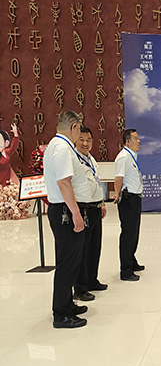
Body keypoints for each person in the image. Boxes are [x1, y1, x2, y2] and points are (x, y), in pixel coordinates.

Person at [43, 110, 88, 328]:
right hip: (65, 211)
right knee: (67, 263)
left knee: (70, 260)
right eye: (79, 129)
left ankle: (67, 304)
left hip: (63, 209)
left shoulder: (57, 145)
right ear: (74, 127)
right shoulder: (62, 148)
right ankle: (61, 314)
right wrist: (76, 213)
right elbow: (63, 182)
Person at [73, 127, 108, 301]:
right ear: (75, 140)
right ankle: (80, 288)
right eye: (82, 139)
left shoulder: (91, 159)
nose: (85, 143)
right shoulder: (74, 159)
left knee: (94, 247)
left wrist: (101, 203)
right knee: (83, 249)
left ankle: (92, 280)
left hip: (95, 207)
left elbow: (97, 182)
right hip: (82, 208)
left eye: (88, 140)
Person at [113, 129, 144, 281]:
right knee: (128, 234)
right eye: (136, 138)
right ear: (127, 141)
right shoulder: (123, 157)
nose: (139, 141)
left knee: (134, 232)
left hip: (135, 198)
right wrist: (117, 194)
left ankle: (132, 261)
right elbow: (118, 178)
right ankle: (125, 270)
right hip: (128, 199)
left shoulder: (132, 156)